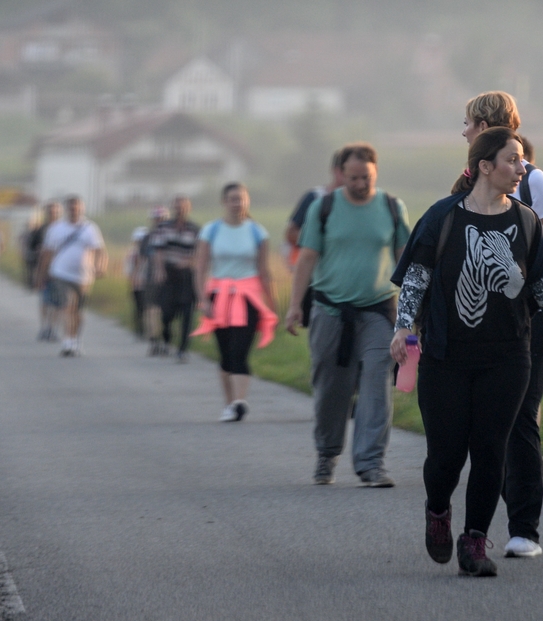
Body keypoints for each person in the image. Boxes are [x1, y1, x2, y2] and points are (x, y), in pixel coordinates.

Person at [390, 127, 543, 577]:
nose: (520, 169)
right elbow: (417, 278)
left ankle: (475, 540)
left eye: (521, 160)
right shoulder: (443, 217)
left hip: (509, 356)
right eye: (511, 160)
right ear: (485, 167)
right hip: (444, 356)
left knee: (491, 450)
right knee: (446, 456)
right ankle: (438, 510)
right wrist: (402, 328)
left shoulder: (526, 222)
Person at [461, 90, 543, 558]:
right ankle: (518, 493)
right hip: (483, 326)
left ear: (488, 124)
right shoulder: (469, 181)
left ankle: (525, 530)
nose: (464, 132)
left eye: (469, 123)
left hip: (532, 321)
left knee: (519, 418)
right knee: (491, 423)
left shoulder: (535, 183)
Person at [285, 143, 410, 487]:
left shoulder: (391, 207)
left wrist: (415, 313)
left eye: (366, 177)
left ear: (376, 171)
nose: (360, 184)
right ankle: (327, 453)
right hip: (330, 311)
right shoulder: (323, 207)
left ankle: (371, 463)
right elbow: (306, 259)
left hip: (378, 310)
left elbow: (406, 261)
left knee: (376, 382)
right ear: (341, 175)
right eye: (353, 178)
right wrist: (295, 305)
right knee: (331, 390)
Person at [191, 183, 278, 421]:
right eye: (232, 199)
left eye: (241, 199)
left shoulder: (257, 231)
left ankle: (239, 402)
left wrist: (272, 303)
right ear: (224, 202)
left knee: (240, 350)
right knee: (226, 353)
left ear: (247, 202)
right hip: (218, 296)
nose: (237, 203)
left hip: (248, 297)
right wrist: (202, 300)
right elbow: (200, 268)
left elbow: (264, 270)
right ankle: (229, 403)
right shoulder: (212, 230)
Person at [36, 196, 108, 357]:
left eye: (77, 207)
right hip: (61, 273)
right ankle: (68, 343)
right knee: (68, 306)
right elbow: (47, 253)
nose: (74, 210)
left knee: (78, 312)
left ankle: (76, 340)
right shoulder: (56, 229)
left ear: (82, 209)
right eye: (71, 207)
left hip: (84, 276)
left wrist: (100, 266)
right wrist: (41, 274)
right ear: (67, 210)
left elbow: (100, 251)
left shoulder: (90, 228)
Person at [144, 196, 200, 360]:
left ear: (188, 209)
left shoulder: (195, 229)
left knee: (187, 312)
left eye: (183, 207)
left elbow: (201, 252)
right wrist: (159, 270)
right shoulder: (163, 227)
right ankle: (167, 338)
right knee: (166, 312)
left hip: (187, 274)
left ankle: (183, 349)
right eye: (177, 207)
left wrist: (189, 262)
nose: (180, 210)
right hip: (168, 273)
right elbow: (158, 250)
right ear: (173, 209)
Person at [283, 148, 345, 270]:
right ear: (334, 170)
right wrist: (319, 241)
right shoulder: (315, 197)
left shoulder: (365, 203)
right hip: (316, 270)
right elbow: (291, 233)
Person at [30, 202, 63, 341]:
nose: (53, 214)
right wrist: (38, 271)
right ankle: (44, 327)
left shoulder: (64, 229)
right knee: (44, 301)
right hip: (44, 269)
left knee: (58, 302)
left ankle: (53, 328)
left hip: (61, 270)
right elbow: (32, 248)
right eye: (51, 212)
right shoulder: (41, 230)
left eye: (55, 212)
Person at [125, 226, 149, 341]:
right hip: (137, 284)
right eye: (138, 240)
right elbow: (128, 270)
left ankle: (149, 331)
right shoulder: (132, 254)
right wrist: (131, 282)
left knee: (148, 308)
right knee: (138, 308)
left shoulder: (150, 253)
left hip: (148, 285)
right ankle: (139, 330)